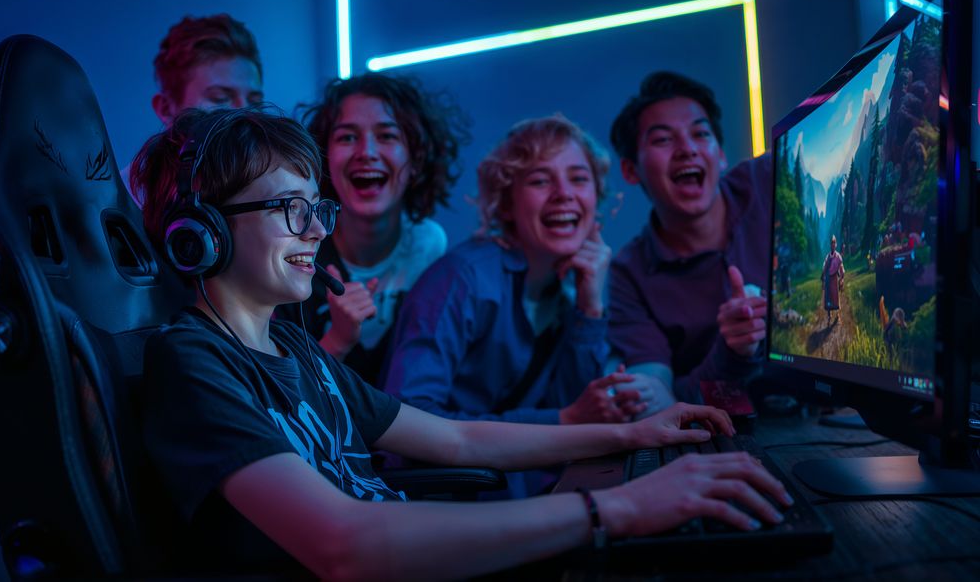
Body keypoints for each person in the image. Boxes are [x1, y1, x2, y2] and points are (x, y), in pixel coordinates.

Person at [129, 106, 793, 578]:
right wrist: (616, 508)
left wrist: (632, 436)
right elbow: (343, 544)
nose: (316, 231)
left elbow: (458, 440)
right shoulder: (192, 362)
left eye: (316, 208)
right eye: (290, 209)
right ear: (202, 233)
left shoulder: (297, 351)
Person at [385, 115, 647, 497]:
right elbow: (407, 423)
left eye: (578, 178)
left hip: (518, 491)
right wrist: (564, 419)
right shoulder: (463, 280)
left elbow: (578, 418)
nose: (564, 194)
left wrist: (590, 308)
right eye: (540, 180)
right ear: (506, 204)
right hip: (439, 504)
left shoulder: (565, 292)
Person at [284, 73, 468, 383]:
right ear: (323, 158)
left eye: (387, 136)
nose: (367, 152)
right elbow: (282, 394)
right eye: (347, 137)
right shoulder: (297, 250)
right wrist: (338, 340)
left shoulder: (429, 245)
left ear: (416, 158)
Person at [607, 71, 770, 412]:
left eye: (700, 134)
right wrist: (732, 350)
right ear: (631, 170)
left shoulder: (771, 180)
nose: (687, 150)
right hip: (729, 431)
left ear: (720, 154)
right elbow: (660, 403)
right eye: (663, 140)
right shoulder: (629, 274)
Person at [126, 13, 265, 203]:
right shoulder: (119, 203)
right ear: (166, 109)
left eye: (255, 102)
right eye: (220, 98)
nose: (246, 113)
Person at [822, 235, 845, 326]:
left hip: (834, 279)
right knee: (828, 297)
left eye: (834, 243)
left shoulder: (838, 256)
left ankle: (838, 315)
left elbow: (841, 267)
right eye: (832, 243)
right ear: (830, 245)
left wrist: (842, 278)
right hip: (828, 279)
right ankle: (829, 315)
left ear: (836, 244)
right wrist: (823, 278)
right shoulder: (827, 257)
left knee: (836, 297)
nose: (833, 245)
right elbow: (824, 267)